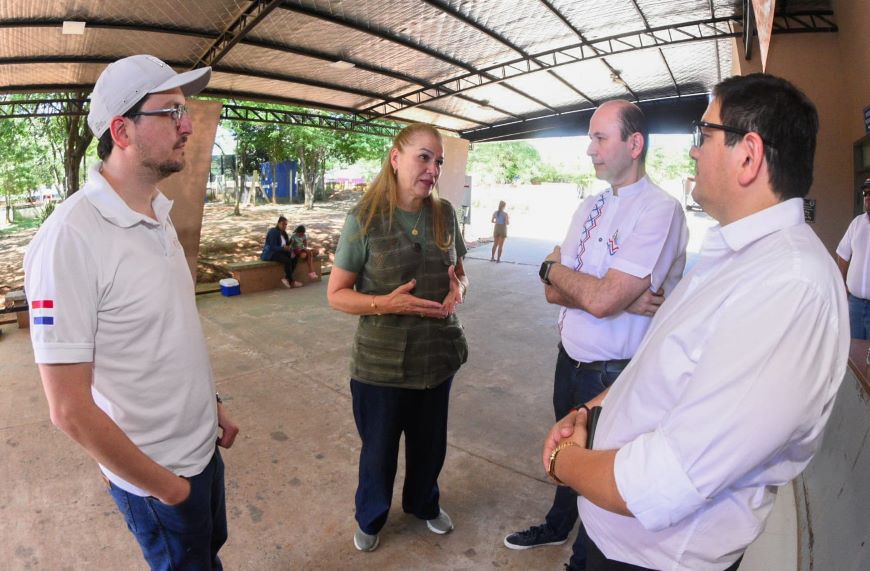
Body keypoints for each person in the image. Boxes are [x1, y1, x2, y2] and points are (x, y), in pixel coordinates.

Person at [543, 73, 848, 570]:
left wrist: (563, 461)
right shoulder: (736, 254)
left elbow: (669, 477)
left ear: (747, 155)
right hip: (614, 532)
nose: (691, 152)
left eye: (702, 135)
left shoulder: (789, 288)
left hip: (654, 557)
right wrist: (588, 413)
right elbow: (659, 369)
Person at [23, 54, 240, 569]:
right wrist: (168, 490)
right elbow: (69, 409)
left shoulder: (158, 213)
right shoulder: (69, 240)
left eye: (184, 111)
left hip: (200, 450)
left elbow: (168, 335)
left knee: (210, 555)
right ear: (122, 130)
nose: (188, 125)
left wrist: (209, 405)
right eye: (171, 113)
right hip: (158, 476)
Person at [504, 100, 688, 571]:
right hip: (569, 357)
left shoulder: (660, 210)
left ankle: (583, 559)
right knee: (566, 450)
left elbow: (599, 298)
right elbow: (553, 291)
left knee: (601, 470)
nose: (590, 149)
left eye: (600, 138)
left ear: (635, 143)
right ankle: (557, 526)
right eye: (590, 138)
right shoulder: (589, 205)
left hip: (612, 372)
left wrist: (573, 279)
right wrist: (576, 282)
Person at [327, 123, 469, 553]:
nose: (432, 169)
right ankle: (371, 516)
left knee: (430, 448)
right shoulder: (364, 219)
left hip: (435, 360)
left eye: (438, 161)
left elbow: (461, 273)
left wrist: (459, 288)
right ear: (395, 158)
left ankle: (424, 504)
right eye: (423, 157)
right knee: (378, 454)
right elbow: (337, 295)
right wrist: (385, 303)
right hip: (380, 369)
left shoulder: (445, 215)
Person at [836, 178, 870, 339]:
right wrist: (842, 283)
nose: (868, 197)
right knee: (853, 348)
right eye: (866, 193)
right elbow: (843, 254)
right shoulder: (856, 223)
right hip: (854, 304)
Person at [262, 215, 303, 288]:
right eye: (283, 224)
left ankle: (287, 278)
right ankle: (291, 281)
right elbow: (272, 246)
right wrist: (283, 248)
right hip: (271, 253)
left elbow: (286, 245)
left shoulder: (284, 233)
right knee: (287, 260)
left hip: (280, 252)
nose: (284, 226)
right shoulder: (273, 232)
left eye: (286, 224)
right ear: (278, 223)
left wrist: (291, 244)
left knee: (294, 257)